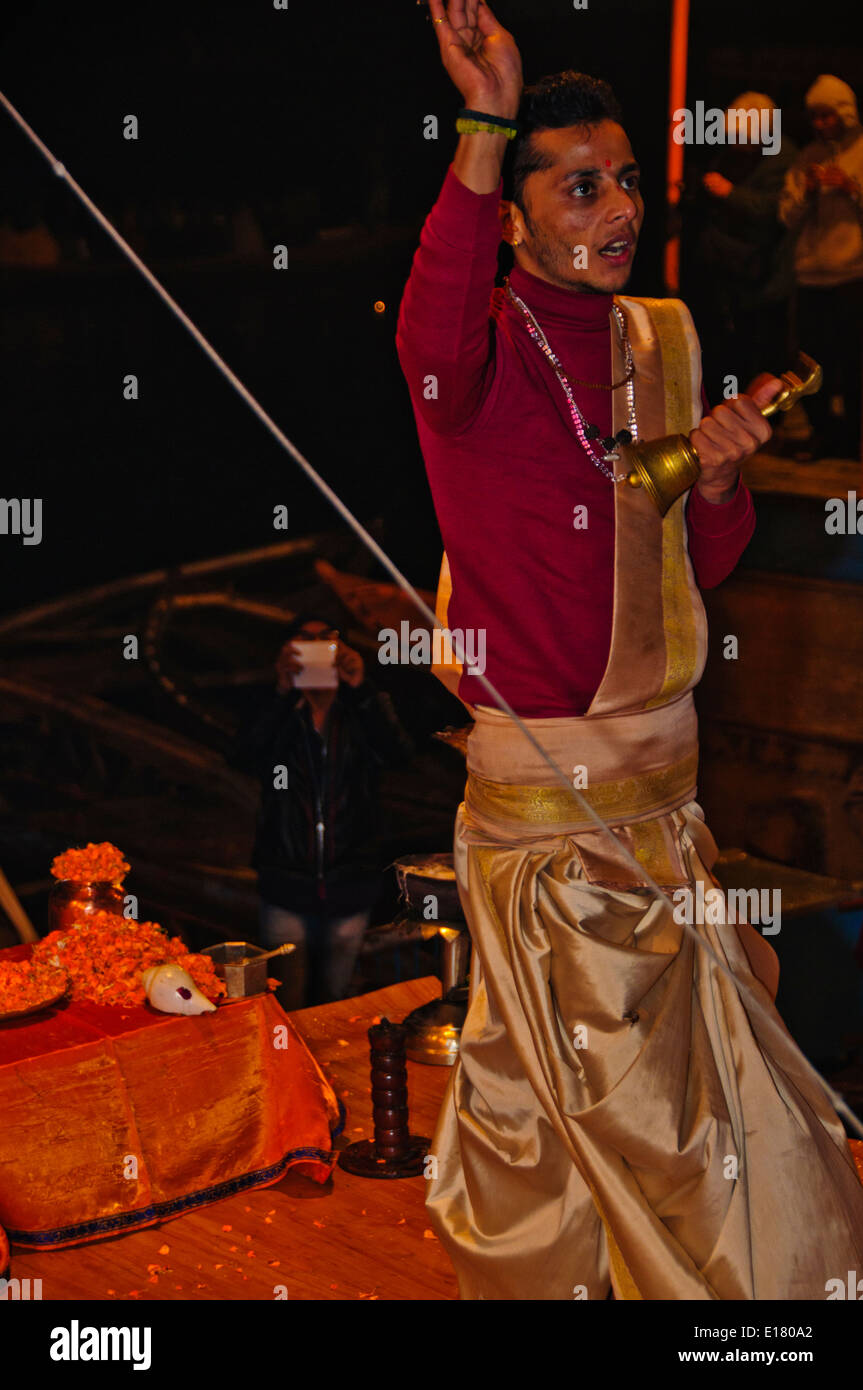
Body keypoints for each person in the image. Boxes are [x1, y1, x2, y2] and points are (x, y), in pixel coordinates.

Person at [396, 0, 863, 1300]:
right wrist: (483, 117)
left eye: (622, 185)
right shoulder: (470, 361)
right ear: (512, 210)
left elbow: (686, 572)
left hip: (668, 803)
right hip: (550, 820)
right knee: (613, 1123)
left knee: (655, 1110)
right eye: (577, 187)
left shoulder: (658, 335)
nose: (612, 212)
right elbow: (427, 328)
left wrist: (715, 484)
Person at [233, 617, 414, 1009]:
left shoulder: (359, 714)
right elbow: (246, 756)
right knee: (286, 999)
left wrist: (362, 686)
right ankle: (290, 1066)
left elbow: (399, 754)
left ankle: (327, 1066)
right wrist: (281, 691)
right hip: (286, 881)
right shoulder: (279, 712)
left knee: (336, 996)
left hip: (352, 880)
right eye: (304, 640)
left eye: (325, 640)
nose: (315, 646)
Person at [690, 93, 797, 407]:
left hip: (766, 273)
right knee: (731, 346)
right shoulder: (736, 155)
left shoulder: (782, 157)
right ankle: (732, 406)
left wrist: (730, 192)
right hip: (732, 270)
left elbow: (776, 211)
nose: (738, 144)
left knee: (766, 351)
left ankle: (768, 416)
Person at [779, 75, 863, 460]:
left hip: (852, 274)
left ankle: (852, 439)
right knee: (814, 362)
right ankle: (823, 434)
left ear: (843, 113)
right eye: (815, 116)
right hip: (811, 274)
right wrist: (808, 192)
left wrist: (850, 187)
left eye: (827, 115)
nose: (820, 124)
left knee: (852, 359)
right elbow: (786, 215)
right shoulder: (807, 156)